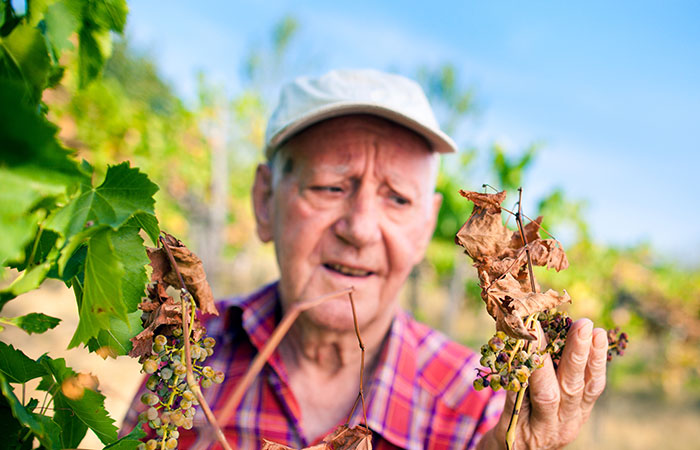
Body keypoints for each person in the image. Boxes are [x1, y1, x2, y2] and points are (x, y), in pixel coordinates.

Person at [123, 69, 609, 449]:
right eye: (330, 187)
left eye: (397, 198)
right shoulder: (186, 358)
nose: (358, 228)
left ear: (427, 226)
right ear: (264, 200)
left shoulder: (481, 406)